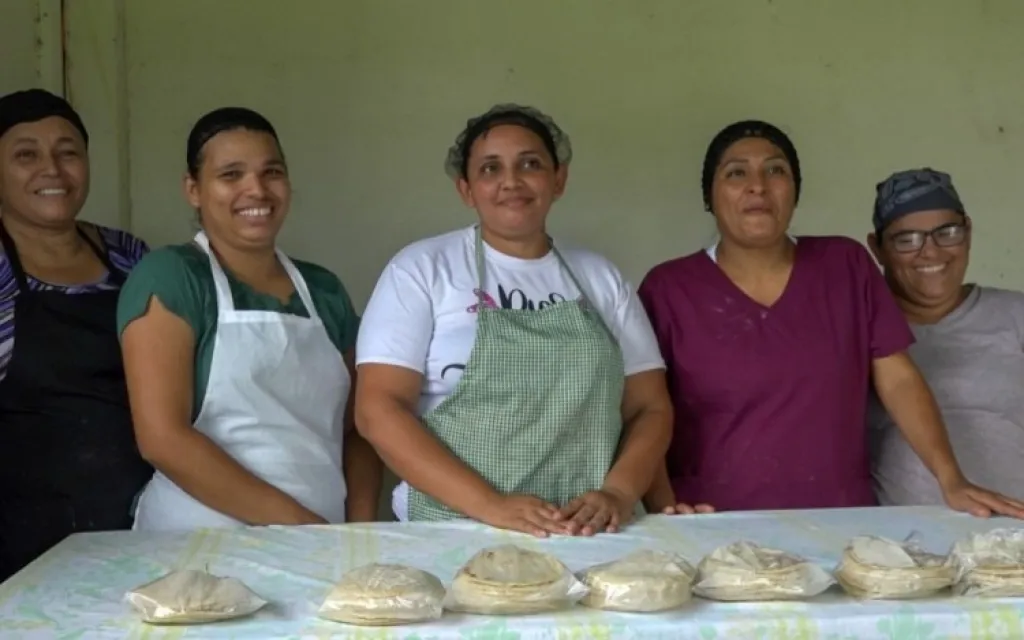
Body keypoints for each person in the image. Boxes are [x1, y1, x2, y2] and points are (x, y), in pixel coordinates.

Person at [638, 120, 1024, 519]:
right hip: (711, 522)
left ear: (794, 192)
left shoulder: (844, 265)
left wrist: (951, 479)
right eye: (737, 173)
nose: (758, 185)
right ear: (709, 195)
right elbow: (646, 409)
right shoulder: (669, 289)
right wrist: (664, 506)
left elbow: (899, 379)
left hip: (840, 525)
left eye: (776, 170)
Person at [355, 104, 672, 537]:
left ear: (558, 179)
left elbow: (649, 406)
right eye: (490, 169)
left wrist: (618, 492)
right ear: (466, 189)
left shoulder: (600, 277)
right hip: (454, 528)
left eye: (530, 164)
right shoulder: (422, 269)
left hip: (590, 532)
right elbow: (378, 409)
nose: (511, 181)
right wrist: (490, 505)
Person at [117, 106, 381, 530]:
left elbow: (358, 430)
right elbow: (162, 439)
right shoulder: (173, 277)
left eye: (271, 172)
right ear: (193, 189)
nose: (256, 190)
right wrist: (302, 528)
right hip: (198, 542)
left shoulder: (324, 290)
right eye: (231, 175)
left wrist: (359, 532)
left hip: (323, 541)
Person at [0, 89, 152, 580]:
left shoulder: (127, 254)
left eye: (68, 152)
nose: (52, 169)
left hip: (144, 518)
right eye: (26, 155)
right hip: (23, 534)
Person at [867, 168, 1024, 506]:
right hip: (896, 550)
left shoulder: (1016, 315)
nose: (931, 252)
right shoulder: (859, 330)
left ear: (967, 232)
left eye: (947, 232)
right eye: (906, 239)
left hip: (1013, 541)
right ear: (877, 248)